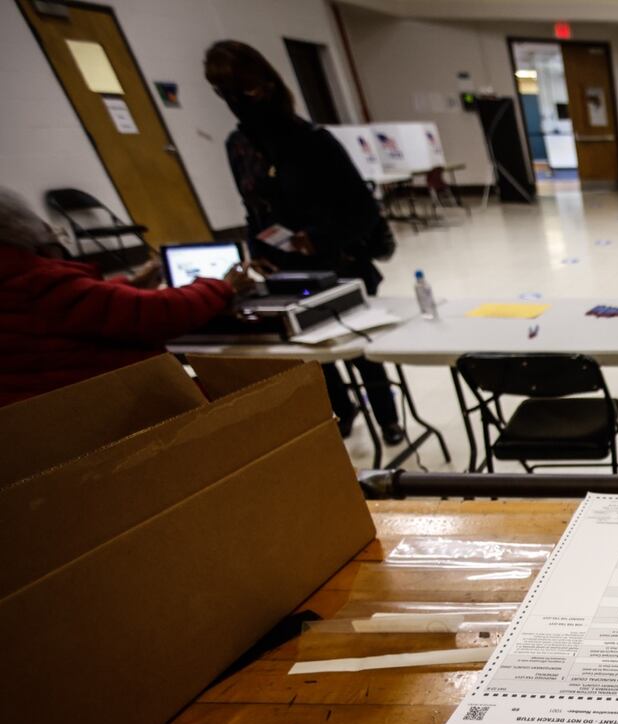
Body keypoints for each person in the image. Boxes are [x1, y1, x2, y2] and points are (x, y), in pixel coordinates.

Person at [203, 40, 404, 444]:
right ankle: (340, 413)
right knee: (312, 354)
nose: (236, 101)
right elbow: (253, 210)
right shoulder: (239, 146)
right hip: (284, 267)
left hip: (339, 262)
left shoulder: (312, 141)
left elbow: (362, 209)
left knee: (358, 348)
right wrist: (257, 255)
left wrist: (320, 237)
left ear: (266, 85)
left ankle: (387, 419)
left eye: (243, 91)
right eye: (222, 93)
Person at [0, 188, 254, 407]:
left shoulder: (17, 278)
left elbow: (87, 307)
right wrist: (222, 286)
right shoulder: (40, 282)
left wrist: (130, 284)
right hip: (105, 415)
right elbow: (161, 313)